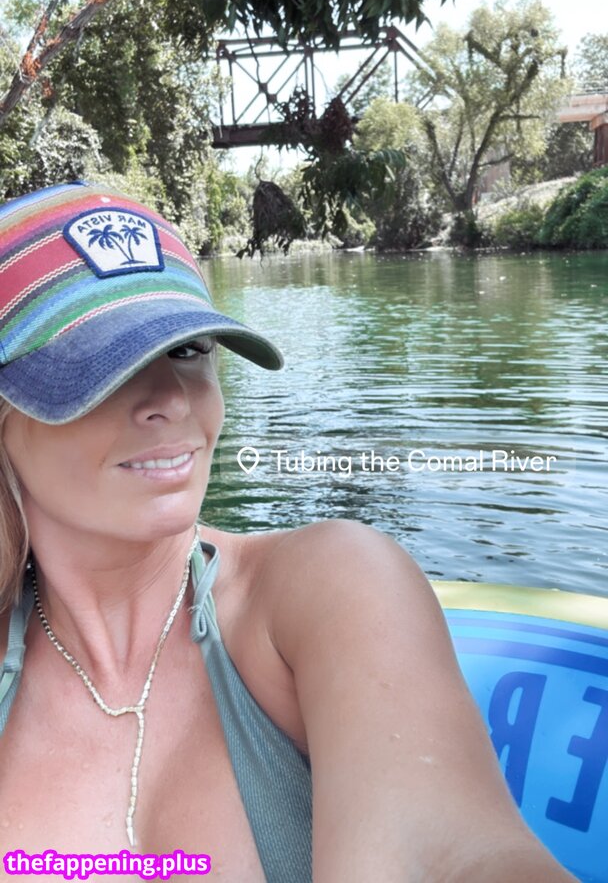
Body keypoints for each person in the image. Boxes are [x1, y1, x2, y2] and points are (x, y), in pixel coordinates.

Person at [0, 182, 574, 883]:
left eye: (190, 351)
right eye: (105, 365)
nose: (172, 400)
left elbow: (455, 856)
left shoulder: (333, 590)